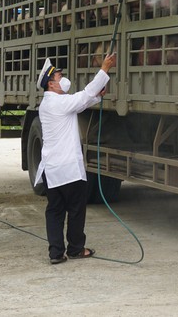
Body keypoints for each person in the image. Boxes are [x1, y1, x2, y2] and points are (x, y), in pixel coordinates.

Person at [35, 52, 117, 264]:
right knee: (76, 210)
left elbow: (81, 102)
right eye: (59, 77)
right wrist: (104, 69)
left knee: (54, 212)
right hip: (69, 170)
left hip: (53, 171)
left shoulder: (49, 104)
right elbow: (82, 96)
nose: (63, 79)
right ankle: (75, 249)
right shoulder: (58, 104)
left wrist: (97, 96)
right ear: (51, 85)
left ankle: (55, 253)